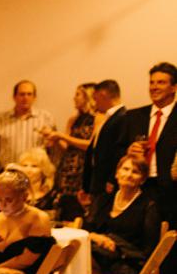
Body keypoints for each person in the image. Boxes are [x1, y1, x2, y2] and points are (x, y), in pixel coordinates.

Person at [117, 62, 177, 274]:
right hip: (141, 190)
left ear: (174, 87)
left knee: (170, 255)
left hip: (172, 192)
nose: (154, 87)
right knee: (137, 248)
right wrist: (130, 151)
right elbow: (117, 157)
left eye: (161, 82)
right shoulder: (135, 116)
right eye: (152, 82)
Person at [83, 154, 161, 274]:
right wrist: (99, 239)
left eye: (135, 172)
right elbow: (86, 230)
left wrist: (116, 247)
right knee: (83, 257)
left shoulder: (149, 206)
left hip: (128, 266)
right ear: (117, 173)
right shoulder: (103, 200)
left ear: (142, 180)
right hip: (98, 257)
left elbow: (148, 251)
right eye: (125, 169)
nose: (129, 174)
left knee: (87, 265)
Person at [44, 83, 97, 219]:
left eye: (78, 94)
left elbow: (90, 145)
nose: (74, 98)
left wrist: (62, 136)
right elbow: (67, 146)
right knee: (67, 204)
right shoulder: (73, 120)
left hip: (85, 167)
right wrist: (54, 138)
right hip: (68, 167)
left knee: (82, 205)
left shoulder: (98, 118)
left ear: (88, 96)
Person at [0, 80, 54, 176]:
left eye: (29, 94)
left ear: (34, 97)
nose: (25, 98)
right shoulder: (1, 120)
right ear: (14, 97)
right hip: (8, 176)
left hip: (36, 177)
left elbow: (53, 151)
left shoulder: (46, 118)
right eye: (22, 94)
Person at [84, 79, 127, 198]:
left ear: (103, 95)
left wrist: (112, 178)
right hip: (98, 179)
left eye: (95, 99)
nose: (94, 104)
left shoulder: (122, 118)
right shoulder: (108, 117)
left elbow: (119, 152)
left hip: (107, 180)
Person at [14, 148, 58, 213]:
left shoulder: (53, 195)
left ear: (44, 170)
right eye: (24, 165)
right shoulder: (14, 192)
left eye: (34, 166)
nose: (28, 170)